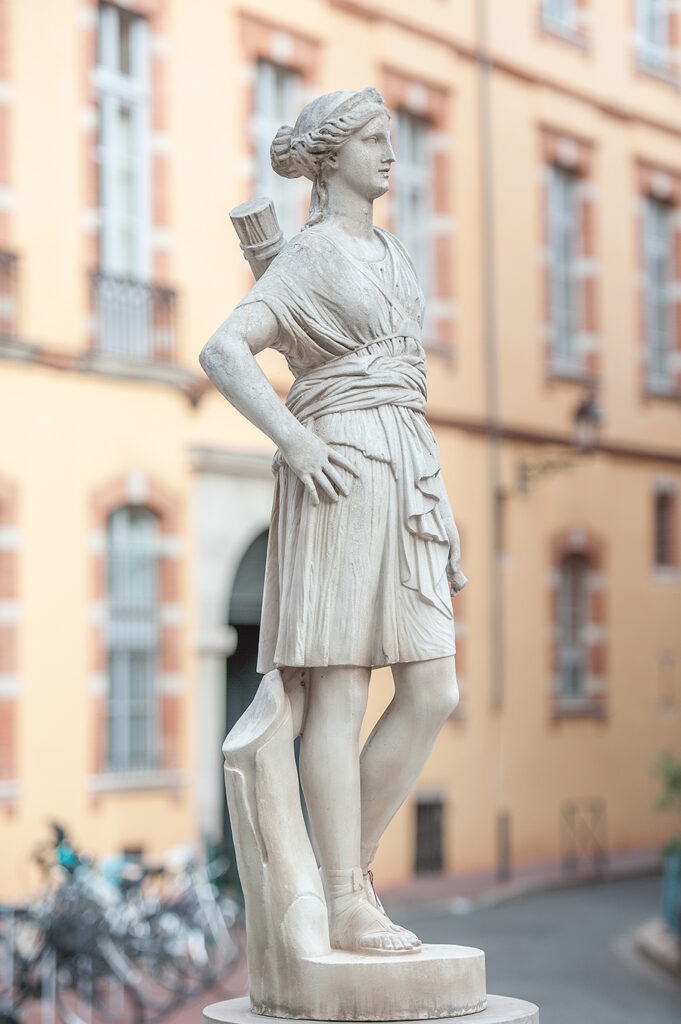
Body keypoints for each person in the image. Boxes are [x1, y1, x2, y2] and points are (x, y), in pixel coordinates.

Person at [200, 87, 466, 956]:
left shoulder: (390, 251)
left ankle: (336, 868)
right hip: (342, 466)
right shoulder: (308, 256)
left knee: (433, 688)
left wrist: (441, 501)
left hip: (406, 463)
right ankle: (347, 900)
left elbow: (407, 388)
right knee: (341, 692)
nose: (393, 157)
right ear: (332, 155)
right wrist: (294, 440)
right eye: (377, 142)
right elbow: (224, 349)